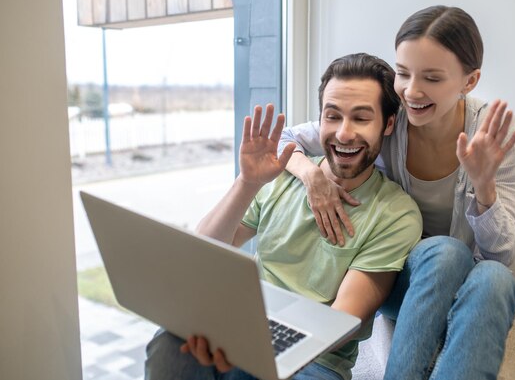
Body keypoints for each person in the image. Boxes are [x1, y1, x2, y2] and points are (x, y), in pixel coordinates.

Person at [144, 53, 422, 380]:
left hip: (317, 362)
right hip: (243, 326)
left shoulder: (395, 213)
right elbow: (204, 250)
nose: (344, 134)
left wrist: (254, 349)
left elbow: (344, 322)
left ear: (387, 124)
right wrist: (247, 182)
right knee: (169, 344)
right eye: (333, 117)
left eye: (361, 118)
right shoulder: (283, 177)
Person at [278, 5, 515, 379]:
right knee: (446, 251)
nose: (412, 91)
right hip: (402, 275)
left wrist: (485, 186)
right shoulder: (388, 117)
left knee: (497, 279)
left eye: (432, 78)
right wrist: (313, 177)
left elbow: (501, 254)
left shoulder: (489, 132)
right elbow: (285, 139)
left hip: (466, 276)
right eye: (403, 73)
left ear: (469, 81)